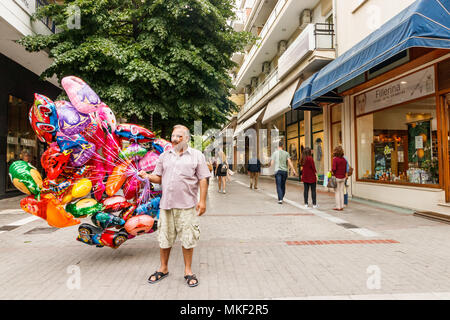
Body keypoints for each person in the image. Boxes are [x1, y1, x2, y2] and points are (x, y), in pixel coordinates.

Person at [138, 125, 210, 287]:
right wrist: (148, 176)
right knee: (165, 238)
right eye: (173, 136)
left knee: (188, 239)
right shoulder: (164, 156)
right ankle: (163, 268)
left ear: (186, 138)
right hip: (166, 206)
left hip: (187, 205)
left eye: (178, 136)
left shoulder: (196, 156)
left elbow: (203, 179)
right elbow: (158, 177)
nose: (174, 139)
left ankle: (188, 271)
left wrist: (202, 201)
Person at [332, 145, 347, 211]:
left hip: (337, 177)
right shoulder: (344, 160)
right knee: (341, 191)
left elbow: (334, 169)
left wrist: (332, 171)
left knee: (337, 192)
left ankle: (338, 206)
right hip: (343, 177)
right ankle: (342, 206)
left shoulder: (335, 159)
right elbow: (345, 169)